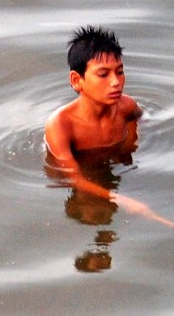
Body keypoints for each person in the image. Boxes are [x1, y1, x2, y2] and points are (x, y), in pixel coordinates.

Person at [45, 27, 139, 269]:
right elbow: (72, 176)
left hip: (111, 168)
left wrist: (128, 150)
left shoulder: (126, 108)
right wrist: (118, 197)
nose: (116, 82)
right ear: (78, 80)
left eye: (120, 72)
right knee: (93, 206)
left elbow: (138, 120)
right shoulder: (61, 126)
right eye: (103, 74)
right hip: (82, 175)